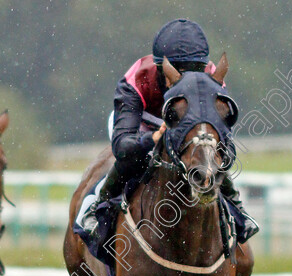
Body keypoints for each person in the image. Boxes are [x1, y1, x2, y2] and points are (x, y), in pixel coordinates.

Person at [82, 18, 258, 243]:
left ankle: (237, 208)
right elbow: (123, 146)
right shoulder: (137, 79)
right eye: (179, 71)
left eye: (194, 70)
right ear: (161, 68)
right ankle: (97, 207)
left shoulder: (212, 79)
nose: (187, 79)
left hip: (184, 126)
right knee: (135, 158)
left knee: (209, 154)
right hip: (143, 124)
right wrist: (150, 139)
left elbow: (225, 144)